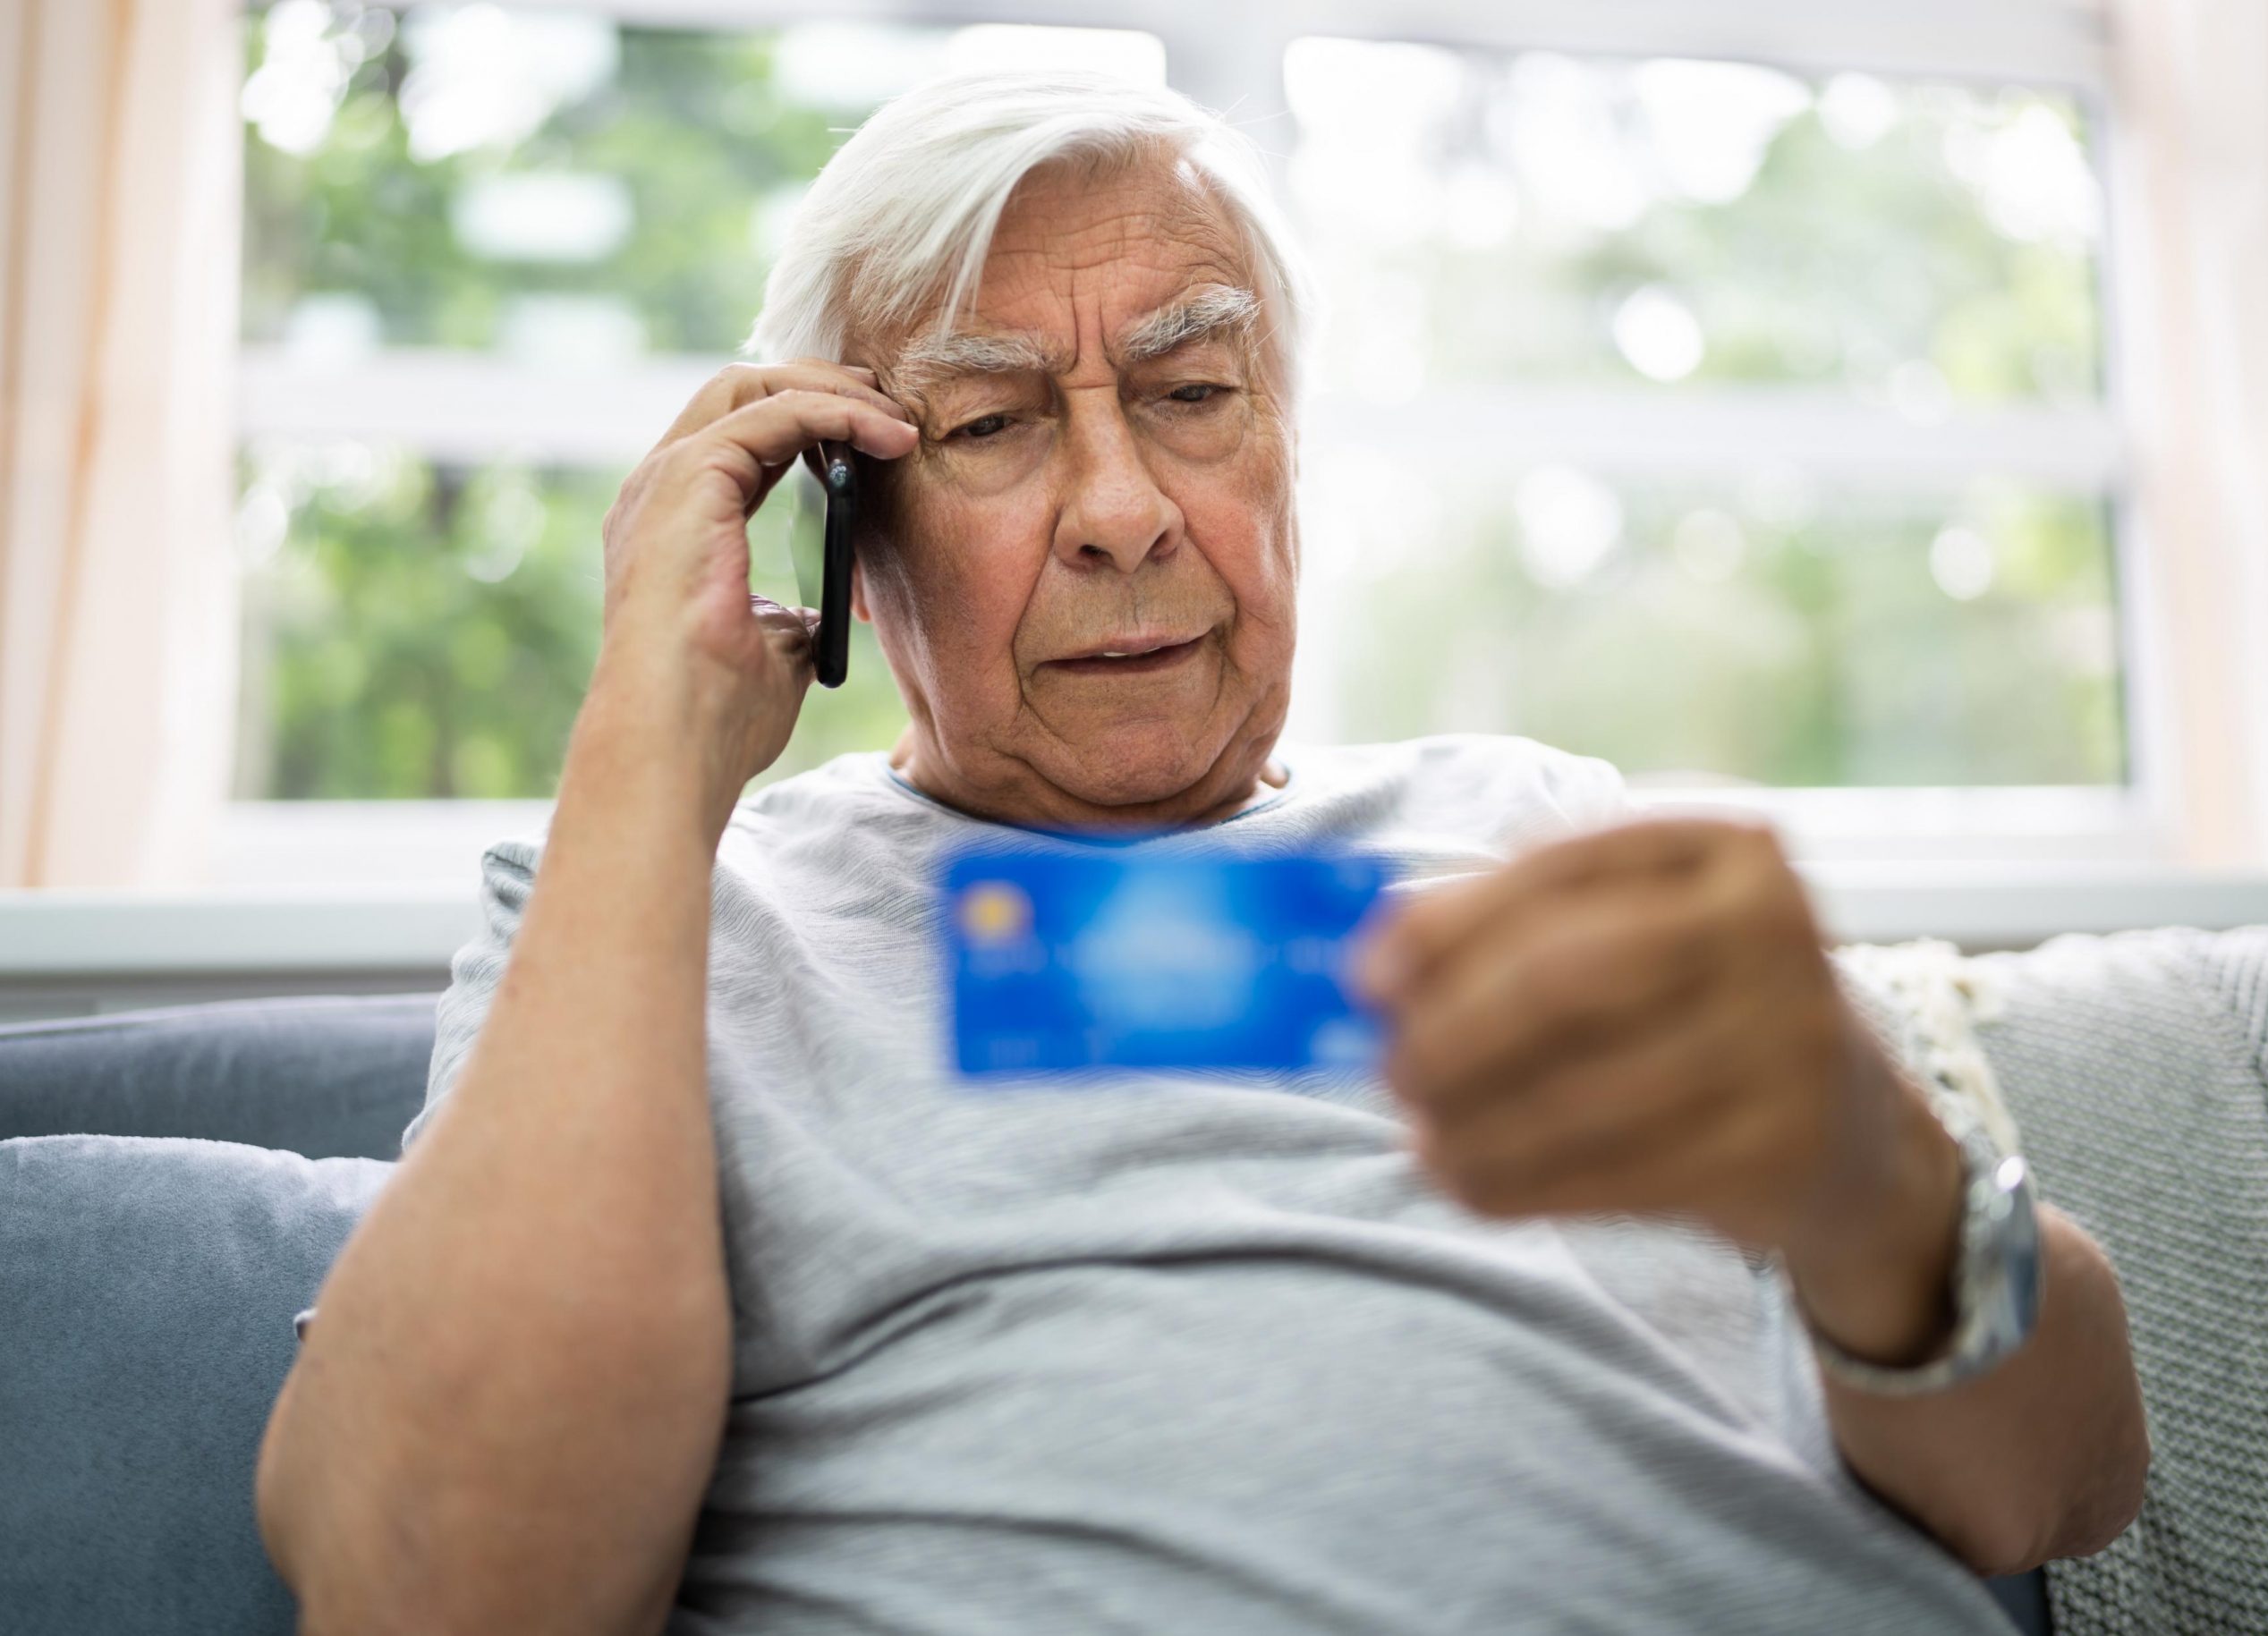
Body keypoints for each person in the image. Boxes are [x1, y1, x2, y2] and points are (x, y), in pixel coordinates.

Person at [253, 72, 2145, 1635]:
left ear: (1285, 447)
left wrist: (1867, 1177)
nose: (1121, 510)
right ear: (841, 522)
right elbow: (441, 1595)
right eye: (989, 422)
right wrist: (642, 754)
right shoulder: (650, 905)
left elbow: (2051, 1486)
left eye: (1189, 393)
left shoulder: (1541, 825)